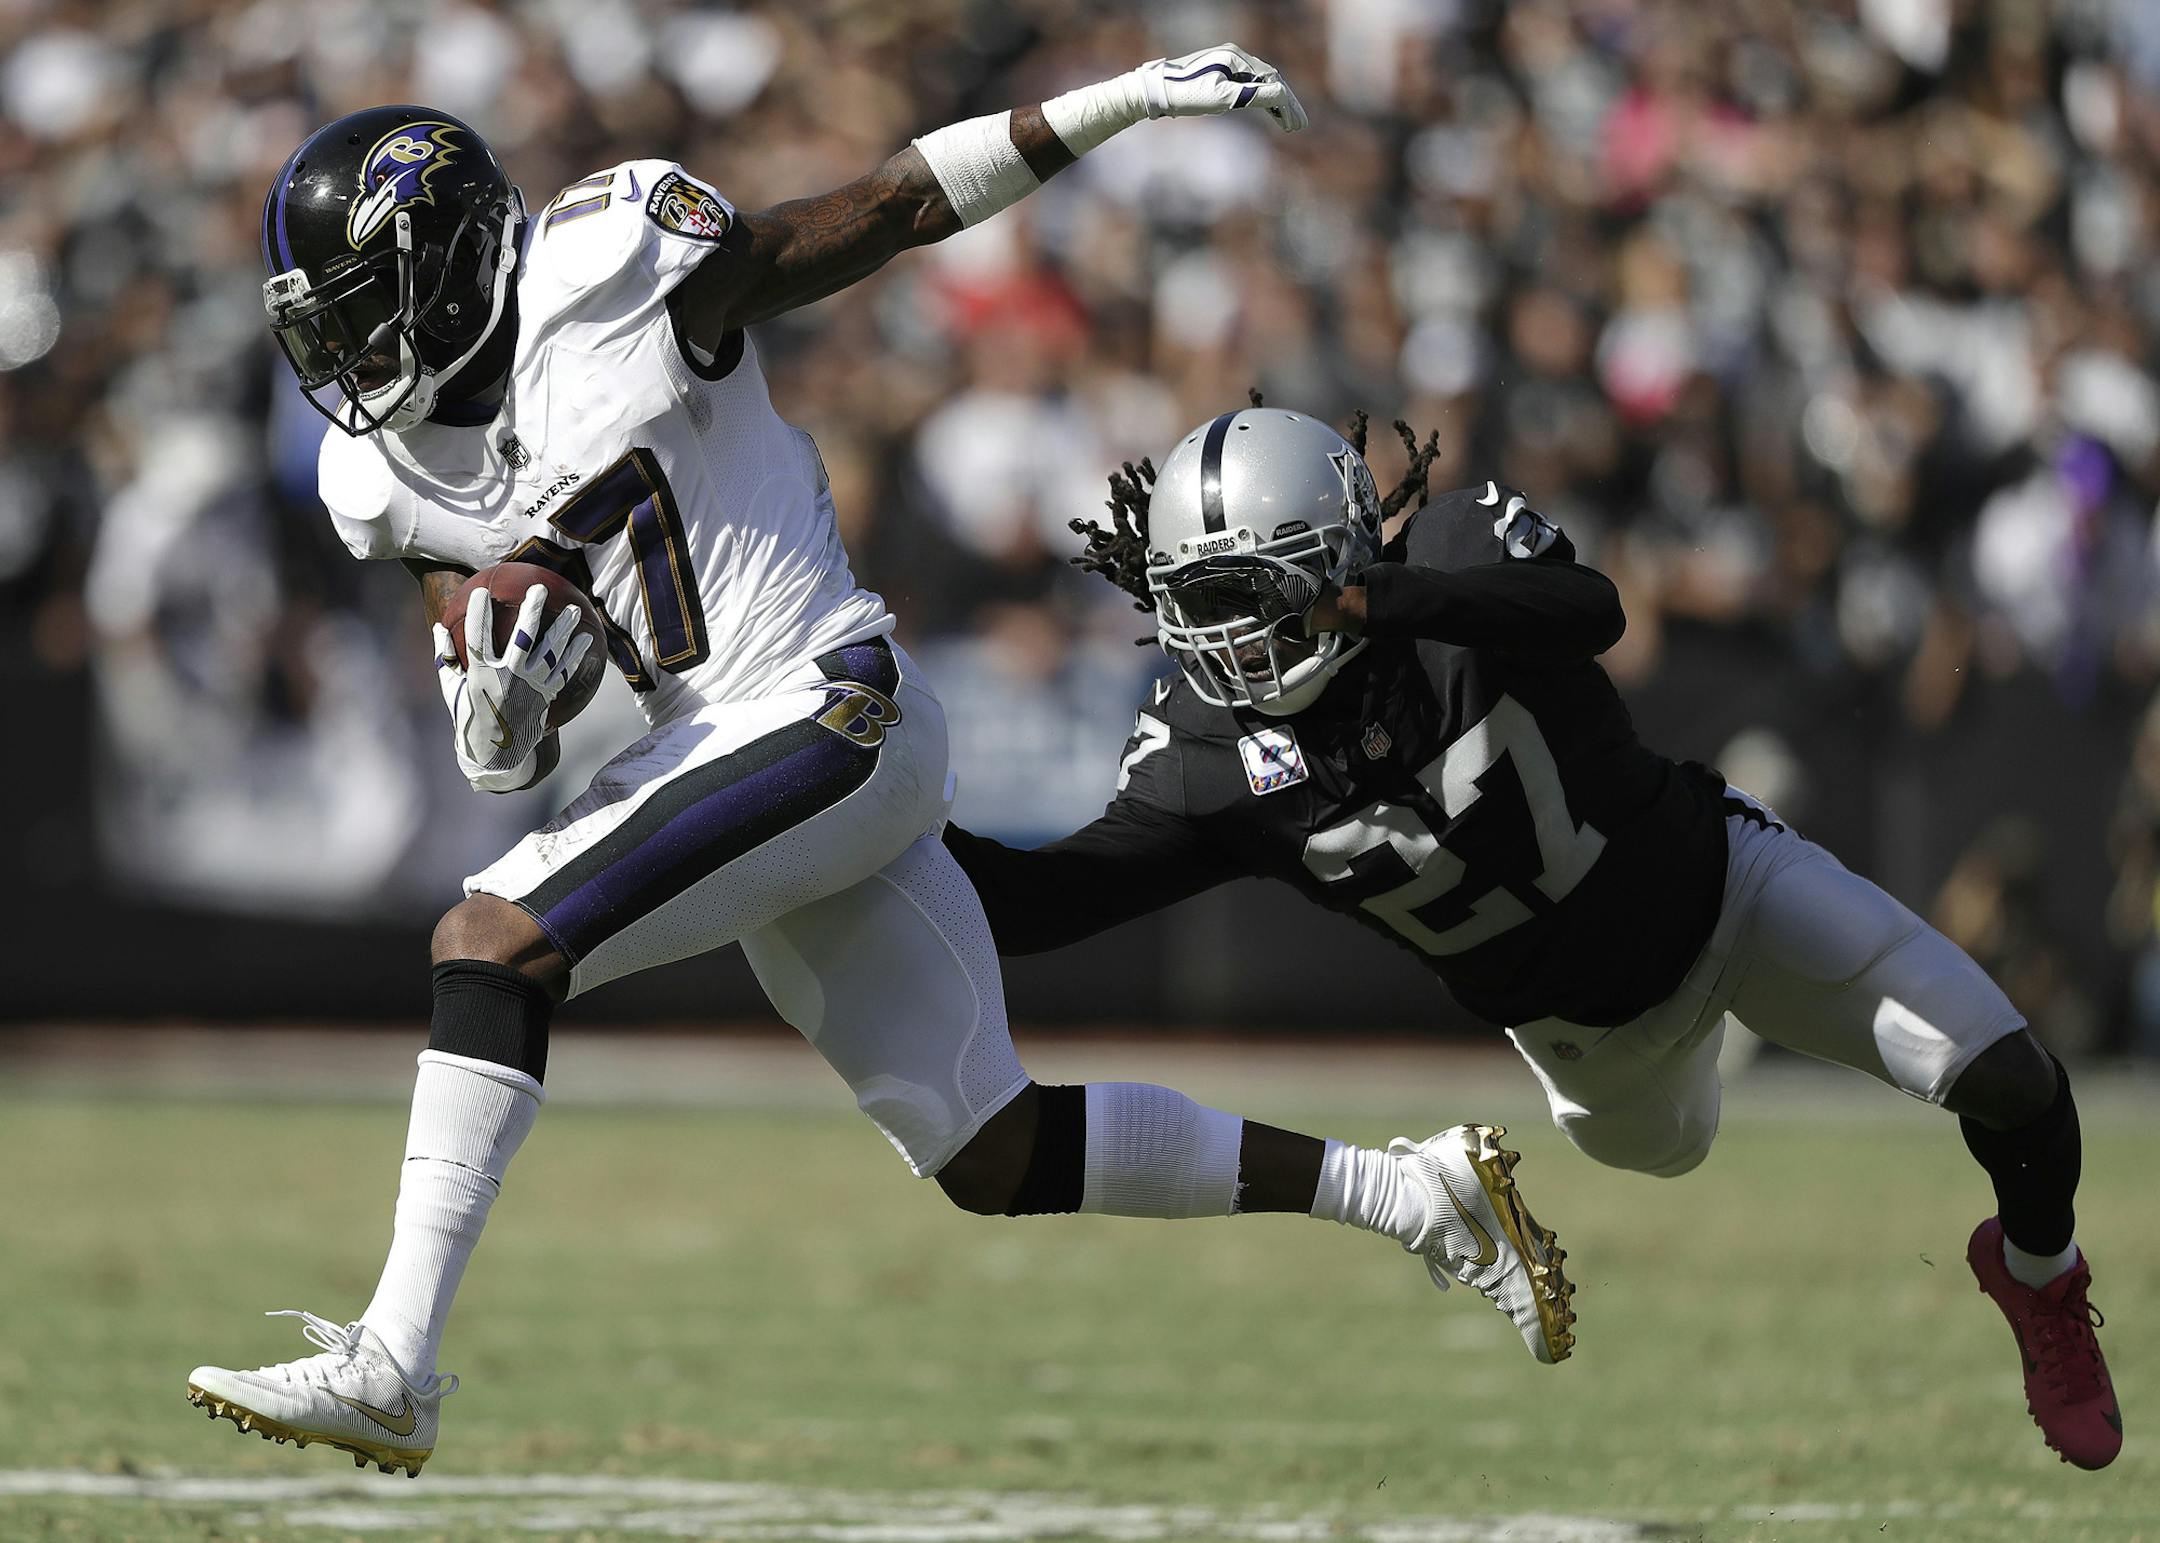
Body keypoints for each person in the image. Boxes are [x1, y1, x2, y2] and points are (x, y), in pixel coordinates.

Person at [185, 60, 1580, 1480]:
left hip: (828, 701)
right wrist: (499, 703)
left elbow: (894, 205)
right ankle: (1414, 1192)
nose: (350, 363)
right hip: (719, 744)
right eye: (327, 330)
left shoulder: (611, 268)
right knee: (990, 1146)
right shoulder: (379, 475)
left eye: (365, 312)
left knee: (491, 939)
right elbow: (500, 714)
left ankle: (394, 1360)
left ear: (459, 256)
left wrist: (1115, 104)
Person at [943, 402, 2122, 1472]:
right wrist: (883, 843)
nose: (1236, 638)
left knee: (2010, 1074)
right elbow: (1051, 904)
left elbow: (1588, 609)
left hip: (1729, 889)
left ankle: (2040, 1280)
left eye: (1265, 591)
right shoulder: (1208, 757)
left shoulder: (1452, 555)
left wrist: (1382, 606)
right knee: (1672, 1150)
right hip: (1586, 1045)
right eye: (1204, 604)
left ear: (1346, 559)